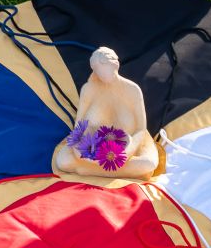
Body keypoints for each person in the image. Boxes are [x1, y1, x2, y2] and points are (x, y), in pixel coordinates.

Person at [52, 46, 159, 181]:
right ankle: (107, 171)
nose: (103, 76)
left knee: (148, 164)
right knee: (63, 161)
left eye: (106, 71)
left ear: (116, 65)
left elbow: (140, 129)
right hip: (93, 148)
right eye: (99, 72)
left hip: (130, 146)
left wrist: (127, 152)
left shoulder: (132, 90)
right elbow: (79, 128)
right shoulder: (88, 89)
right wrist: (78, 151)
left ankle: (88, 171)